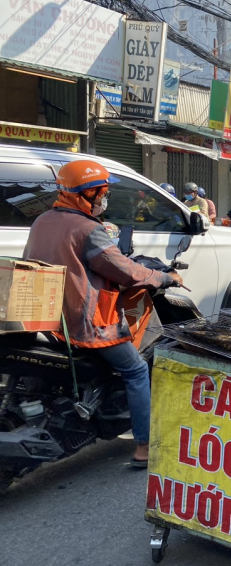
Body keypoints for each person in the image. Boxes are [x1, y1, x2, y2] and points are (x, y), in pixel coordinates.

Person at [23, 160, 182, 466]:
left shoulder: (42, 220)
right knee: (136, 371)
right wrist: (163, 278)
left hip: (46, 318)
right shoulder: (89, 230)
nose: (104, 199)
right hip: (84, 322)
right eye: (103, 193)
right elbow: (124, 270)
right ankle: (143, 448)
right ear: (87, 193)